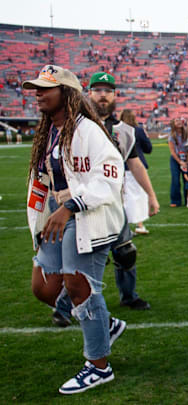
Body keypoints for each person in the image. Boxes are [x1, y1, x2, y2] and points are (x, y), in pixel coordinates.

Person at [23, 65, 126, 394]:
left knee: (79, 287)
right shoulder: (51, 130)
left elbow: (110, 175)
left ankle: (99, 366)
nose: (38, 93)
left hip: (87, 214)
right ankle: (104, 323)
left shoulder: (89, 131)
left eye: (45, 88)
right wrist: (45, 214)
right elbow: (43, 180)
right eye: (36, 88)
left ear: (66, 93)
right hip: (59, 213)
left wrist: (70, 206)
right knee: (43, 287)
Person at [53, 71, 156, 321]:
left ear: (114, 95)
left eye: (107, 90)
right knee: (84, 257)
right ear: (88, 93)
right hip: (82, 204)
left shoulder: (124, 132)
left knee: (125, 252)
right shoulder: (73, 126)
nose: (102, 95)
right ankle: (64, 308)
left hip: (112, 204)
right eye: (97, 89)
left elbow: (135, 165)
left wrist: (151, 196)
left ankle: (128, 296)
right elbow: (56, 162)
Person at [120, 109, 152, 234]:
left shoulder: (117, 131)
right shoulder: (138, 131)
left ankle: (126, 227)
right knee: (139, 196)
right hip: (137, 166)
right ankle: (139, 224)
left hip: (122, 167)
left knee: (125, 197)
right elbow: (148, 148)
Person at [168, 118, 188, 207]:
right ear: (173, 124)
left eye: (180, 120)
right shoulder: (172, 136)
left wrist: (187, 160)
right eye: (177, 121)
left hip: (187, 158)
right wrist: (180, 162)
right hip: (176, 159)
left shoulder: (187, 133)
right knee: (175, 180)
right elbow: (172, 152)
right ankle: (175, 201)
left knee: (187, 179)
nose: (179, 121)